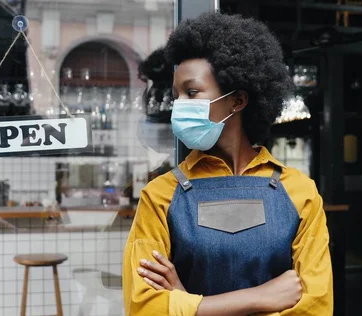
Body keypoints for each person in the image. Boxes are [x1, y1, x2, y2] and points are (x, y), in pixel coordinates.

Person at [122, 11, 333, 316]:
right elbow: (142, 307)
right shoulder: (158, 196)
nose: (178, 105)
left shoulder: (301, 193)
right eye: (177, 95)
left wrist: (188, 305)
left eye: (191, 92)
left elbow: (315, 309)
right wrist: (260, 297)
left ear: (238, 100)